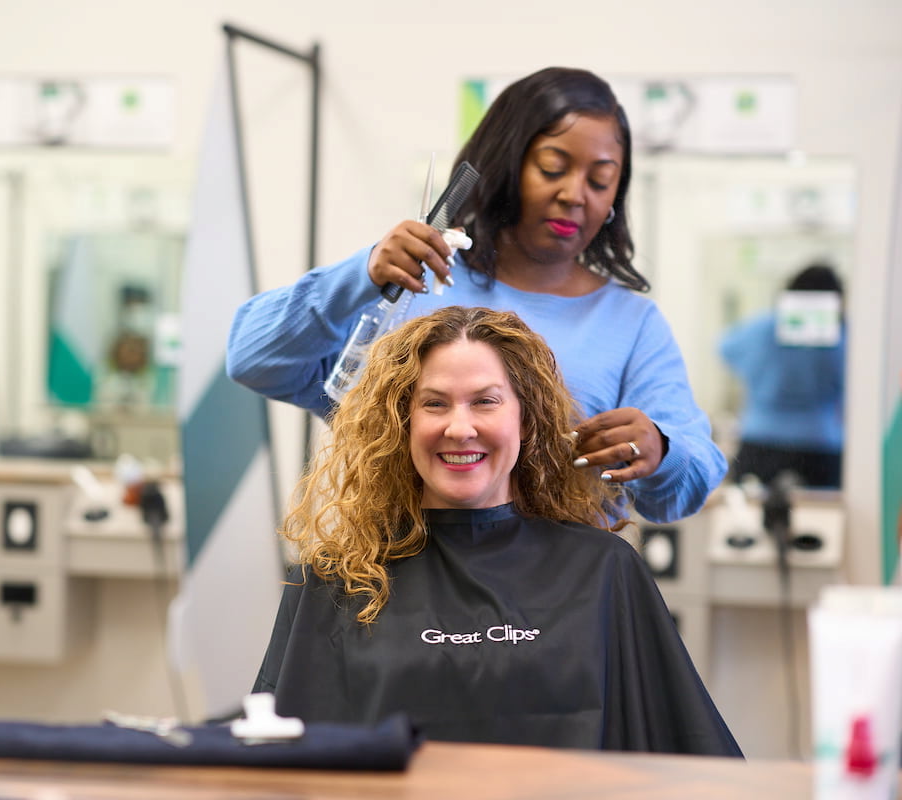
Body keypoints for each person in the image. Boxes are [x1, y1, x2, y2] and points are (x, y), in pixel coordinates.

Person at [227, 66, 726, 524]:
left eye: (600, 180)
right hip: (396, 592)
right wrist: (360, 275)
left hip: (555, 605)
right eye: (553, 168)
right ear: (506, 165)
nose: (576, 195)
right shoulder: (411, 285)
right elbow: (253, 357)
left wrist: (660, 449)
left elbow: (684, 489)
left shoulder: (629, 323)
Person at [252, 306, 741, 756]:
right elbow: (272, 758)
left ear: (525, 419)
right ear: (403, 422)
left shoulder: (603, 571)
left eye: (485, 402)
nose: (460, 428)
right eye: (435, 404)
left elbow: (690, 754)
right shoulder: (337, 580)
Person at [719, 263, 846, 488]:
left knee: (752, 517)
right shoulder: (842, 335)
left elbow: (725, 349)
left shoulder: (764, 327)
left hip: (761, 438)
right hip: (821, 443)